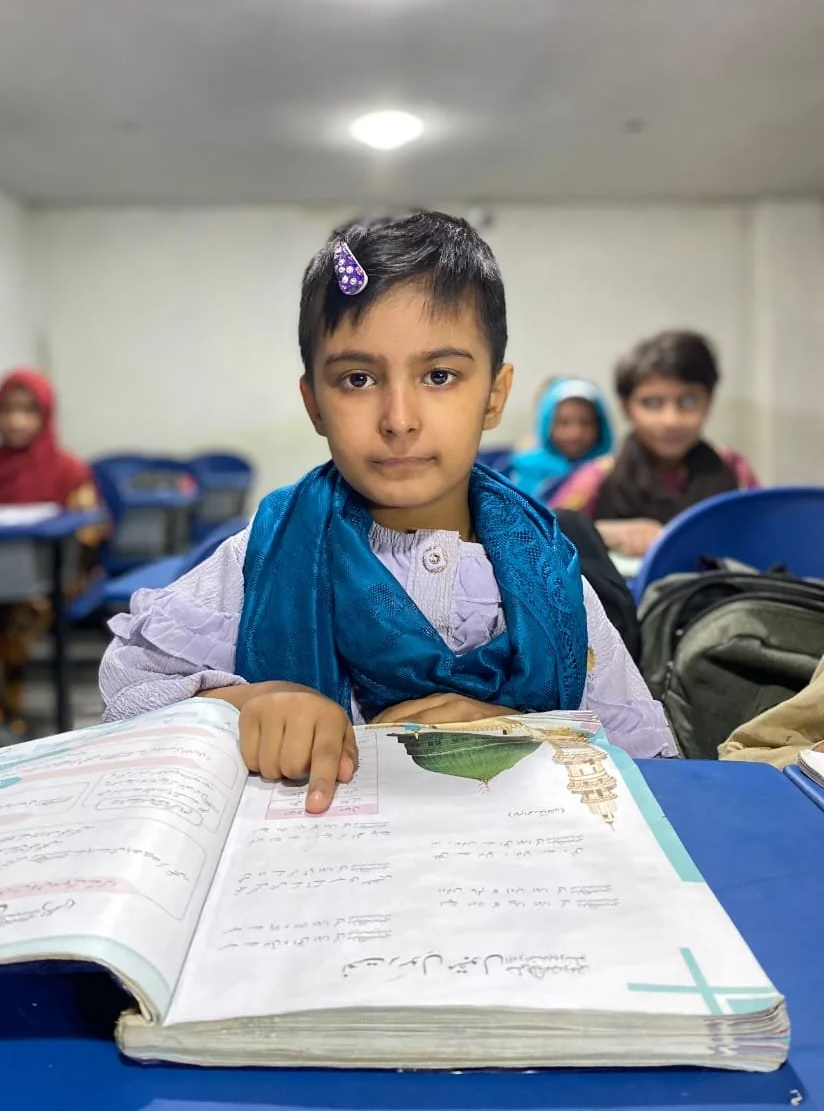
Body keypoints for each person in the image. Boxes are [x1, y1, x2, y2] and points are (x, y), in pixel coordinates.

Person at [100, 212, 675, 812]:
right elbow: (124, 698)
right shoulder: (263, 555)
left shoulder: (552, 578)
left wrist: (523, 735)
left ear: (495, 396)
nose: (399, 418)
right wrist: (245, 704)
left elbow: (650, 765)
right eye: (356, 378)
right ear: (314, 404)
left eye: (440, 375)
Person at [0, 368, 102, 734]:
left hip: (57, 576)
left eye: (27, 410)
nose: (15, 421)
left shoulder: (68, 468)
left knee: (17, 616)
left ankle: (8, 711)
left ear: (45, 415)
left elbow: (90, 531)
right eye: (6, 410)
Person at [551, 331, 758, 558]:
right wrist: (608, 532)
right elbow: (545, 533)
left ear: (708, 402)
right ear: (626, 407)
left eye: (688, 401)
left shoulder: (732, 468)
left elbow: (764, 530)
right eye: (652, 403)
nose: (671, 420)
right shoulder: (600, 476)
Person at [508, 377, 613, 502]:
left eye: (586, 423)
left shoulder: (607, 471)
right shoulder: (526, 468)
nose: (575, 433)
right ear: (547, 425)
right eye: (564, 423)